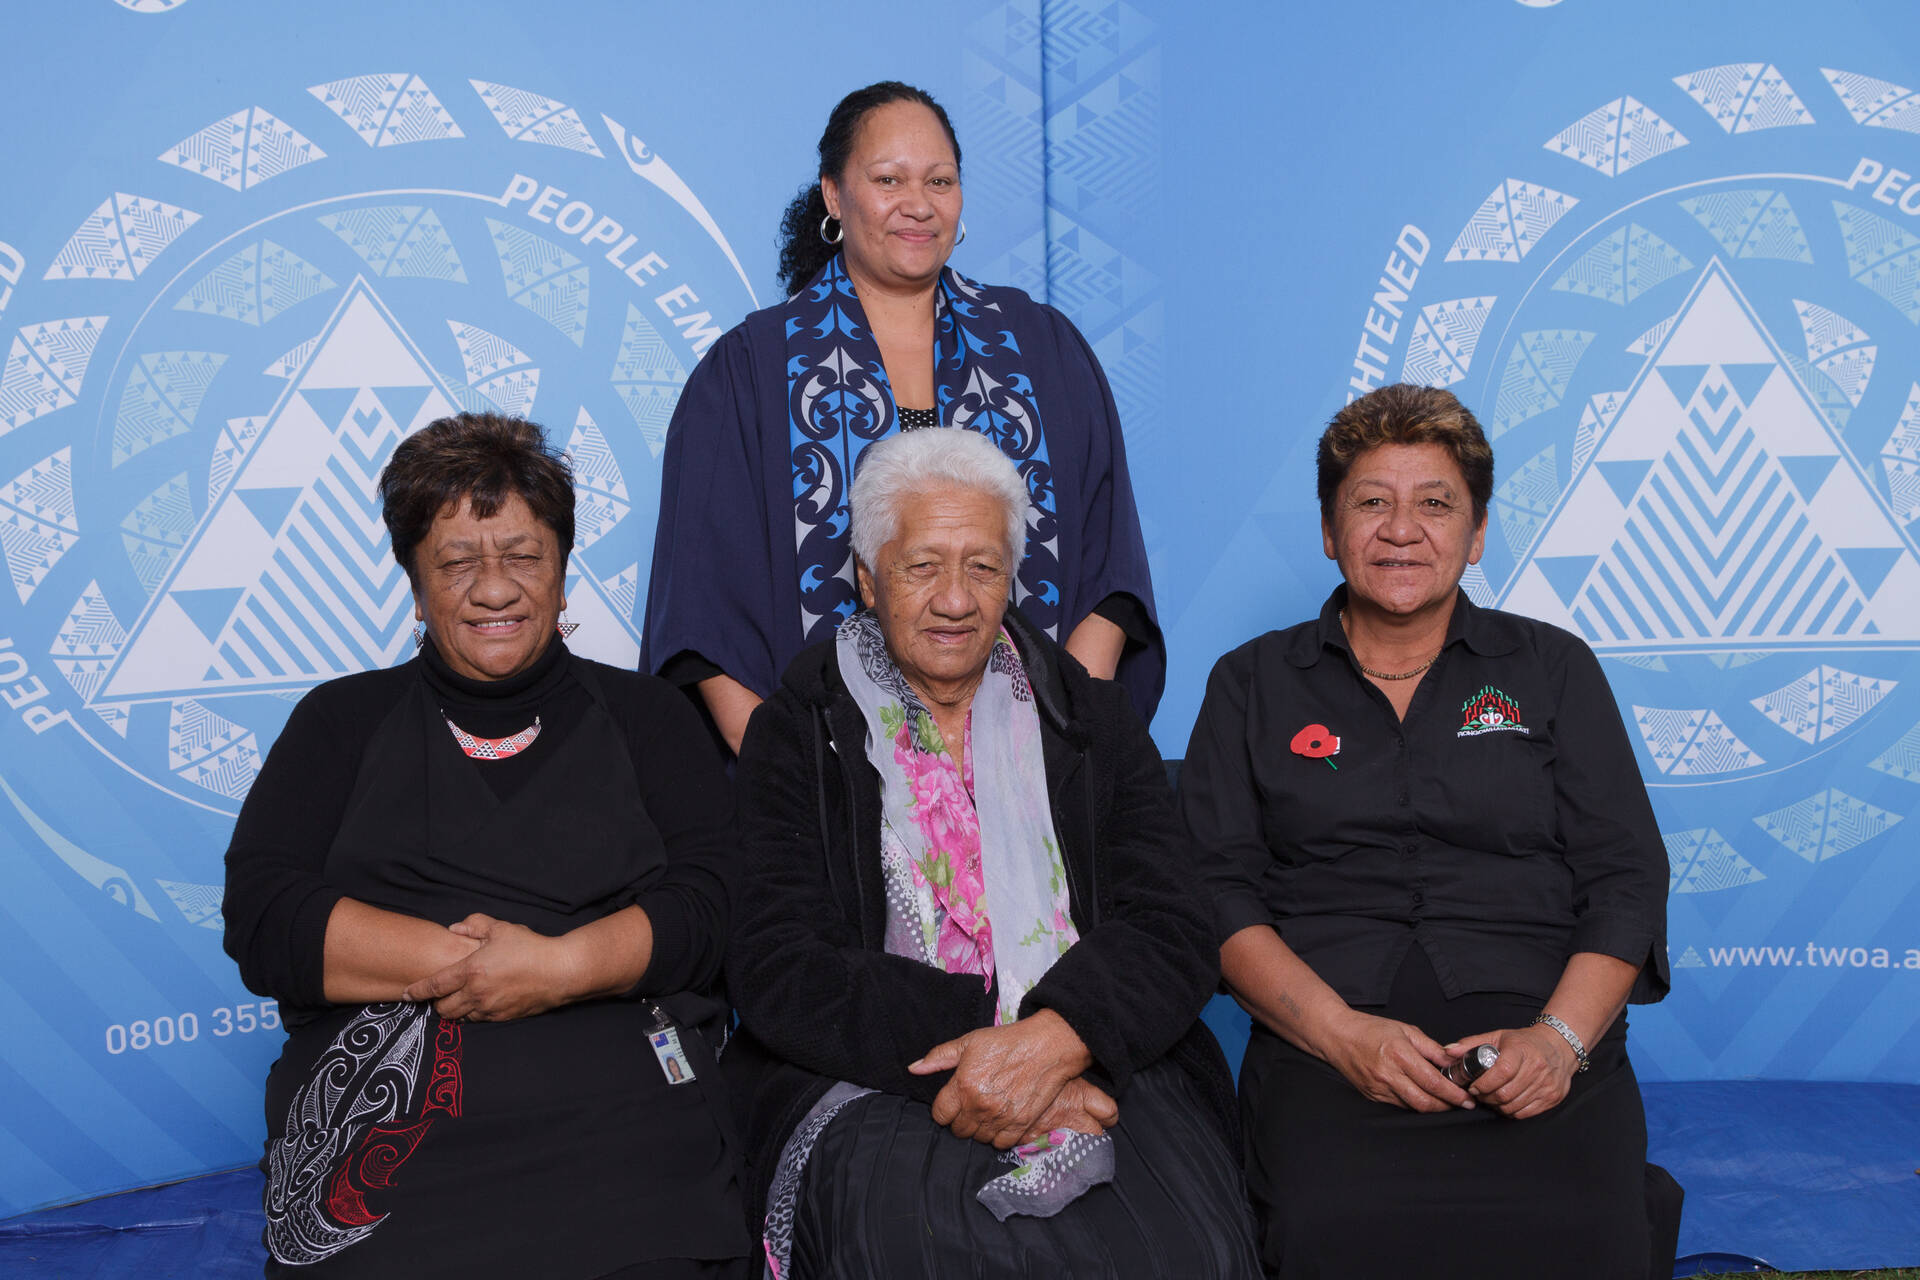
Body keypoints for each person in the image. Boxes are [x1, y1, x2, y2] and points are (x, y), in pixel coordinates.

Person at [221, 413, 747, 1279]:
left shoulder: (648, 717)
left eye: (524, 556)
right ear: (415, 585)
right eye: (458, 562)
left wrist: (562, 968)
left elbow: (711, 903)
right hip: (385, 1141)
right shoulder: (338, 721)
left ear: (563, 573)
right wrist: (481, 968)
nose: (494, 589)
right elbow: (265, 916)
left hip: (622, 1130)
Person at [725, 428, 1259, 1279]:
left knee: (1191, 1250)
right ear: (868, 579)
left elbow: (1173, 925)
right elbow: (777, 962)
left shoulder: (1088, 717)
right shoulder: (798, 729)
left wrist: (1062, 1038)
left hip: (1097, 1053)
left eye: (982, 567)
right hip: (878, 1069)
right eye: (922, 566)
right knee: (914, 1249)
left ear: (1013, 579)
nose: (955, 599)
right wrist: (998, 1045)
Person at [1178, 384, 1678, 1279]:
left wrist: (1559, 1044)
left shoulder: (1553, 668)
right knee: (1327, 1230)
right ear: (1329, 530)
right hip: (1326, 1044)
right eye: (1372, 501)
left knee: (1586, 1233)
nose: (1401, 530)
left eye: (1435, 504)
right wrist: (1342, 1036)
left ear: (1476, 533)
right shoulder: (1249, 683)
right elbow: (1216, 892)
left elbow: (1626, 875)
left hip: (1537, 1036)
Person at [643, 80, 1163, 755]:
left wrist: (1063, 745)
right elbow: (701, 619)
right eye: (888, 179)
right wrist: (791, 779)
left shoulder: (1043, 348)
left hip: (1031, 768)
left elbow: (1110, 575)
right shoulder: (749, 372)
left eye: (939, 181)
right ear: (834, 195)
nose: (918, 204)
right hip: (821, 782)